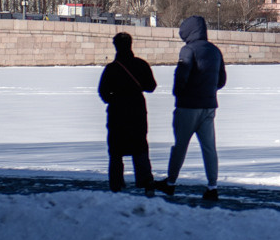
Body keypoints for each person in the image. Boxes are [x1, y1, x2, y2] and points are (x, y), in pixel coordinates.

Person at [162, 14, 226, 201]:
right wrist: (208, 90)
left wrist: (179, 94)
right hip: (209, 106)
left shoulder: (188, 50)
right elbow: (221, 80)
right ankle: (212, 187)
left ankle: (170, 183)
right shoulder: (215, 51)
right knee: (209, 148)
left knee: (180, 146)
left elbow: (181, 77)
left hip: (188, 107)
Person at [96, 31, 157, 194]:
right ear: (131, 44)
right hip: (137, 111)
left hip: (117, 112)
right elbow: (151, 86)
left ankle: (116, 184)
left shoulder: (111, 68)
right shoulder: (141, 64)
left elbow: (103, 92)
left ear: (115, 46)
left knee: (116, 150)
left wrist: (114, 99)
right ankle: (145, 181)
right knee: (140, 146)